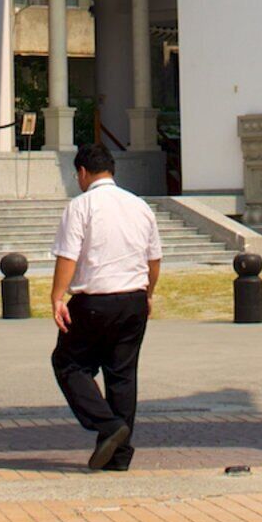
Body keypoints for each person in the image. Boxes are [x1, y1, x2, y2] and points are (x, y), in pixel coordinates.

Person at [49, 135, 161, 471]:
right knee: (122, 375)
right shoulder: (140, 205)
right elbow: (154, 259)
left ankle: (108, 426)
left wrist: (57, 296)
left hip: (95, 300)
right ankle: (119, 455)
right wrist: (149, 293)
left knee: (69, 364)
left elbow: (68, 256)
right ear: (111, 171)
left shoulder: (81, 206)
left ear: (82, 172)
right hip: (134, 299)